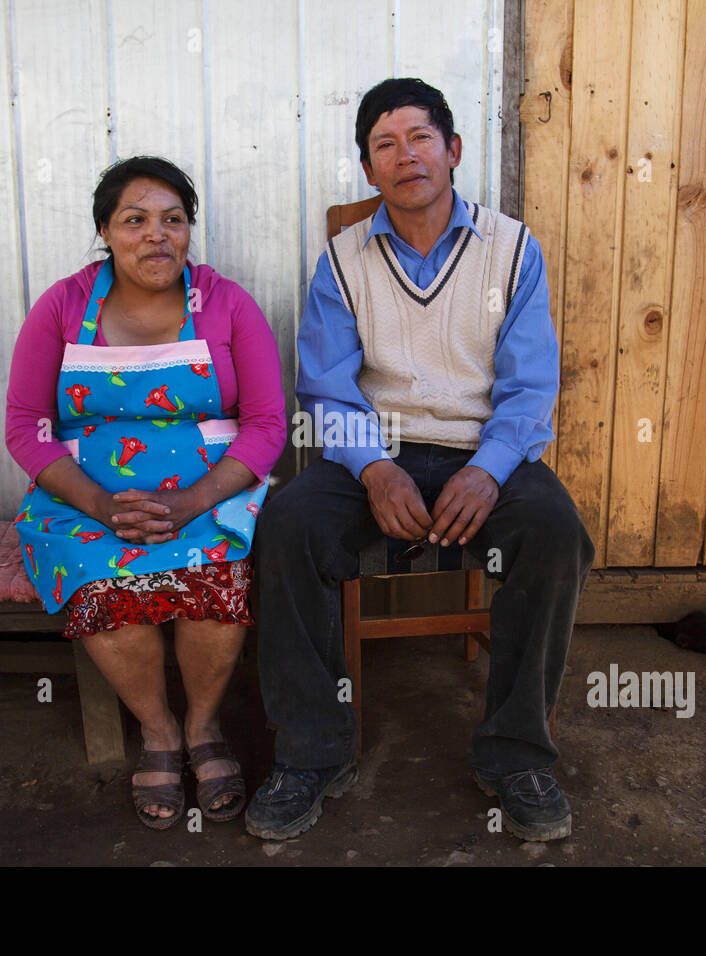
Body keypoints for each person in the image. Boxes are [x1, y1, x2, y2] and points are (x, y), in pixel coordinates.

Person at [245, 78, 594, 842]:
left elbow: (532, 386)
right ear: (370, 171)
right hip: (376, 454)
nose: (406, 156)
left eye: (420, 138)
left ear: (453, 150)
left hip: (483, 455)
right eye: (384, 145)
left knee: (554, 531)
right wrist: (373, 467)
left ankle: (515, 754)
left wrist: (491, 468)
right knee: (287, 527)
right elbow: (328, 391)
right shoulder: (342, 261)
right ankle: (311, 750)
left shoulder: (512, 250)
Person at [5, 157, 285, 830]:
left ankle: (202, 726)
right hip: (88, 498)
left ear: (189, 231)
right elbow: (25, 426)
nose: (156, 235)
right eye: (135, 220)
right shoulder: (64, 306)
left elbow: (269, 424)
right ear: (105, 231)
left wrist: (195, 501)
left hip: (210, 490)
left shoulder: (225, 303)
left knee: (214, 574)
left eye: (173, 220)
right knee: (103, 582)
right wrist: (100, 506)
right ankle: (157, 731)